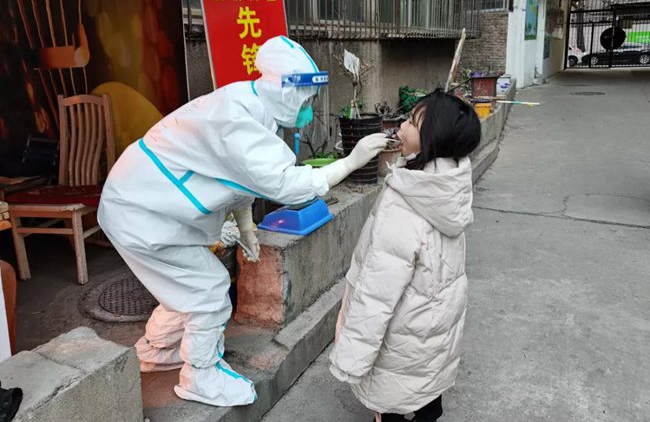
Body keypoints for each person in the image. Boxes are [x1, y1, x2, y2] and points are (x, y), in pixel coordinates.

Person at [98, 35, 387, 407]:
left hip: (147, 205)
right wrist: (350, 162)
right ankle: (200, 375)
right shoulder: (236, 119)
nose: (309, 110)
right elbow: (287, 185)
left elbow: (238, 180)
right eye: (305, 100)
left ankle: (157, 349)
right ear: (285, 92)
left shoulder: (251, 105)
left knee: (183, 285)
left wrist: (247, 226)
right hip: (141, 211)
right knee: (207, 288)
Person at [329, 89, 481, 421]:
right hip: (433, 327)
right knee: (426, 385)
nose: (400, 126)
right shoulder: (449, 187)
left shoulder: (405, 202)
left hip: (402, 332)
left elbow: (378, 292)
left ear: (431, 141)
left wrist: (352, 357)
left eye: (411, 122)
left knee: (392, 397)